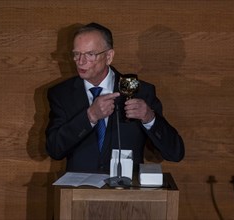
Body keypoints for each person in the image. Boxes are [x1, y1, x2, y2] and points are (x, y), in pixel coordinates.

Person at [45, 22, 185, 173]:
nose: (80, 61)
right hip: (79, 192)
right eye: (76, 54)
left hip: (127, 192)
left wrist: (150, 118)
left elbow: (175, 153)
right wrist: (90, 116)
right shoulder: (61, 94)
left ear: (109, 56)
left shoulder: (141, 91)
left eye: (90, 54)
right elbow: (54, 149)